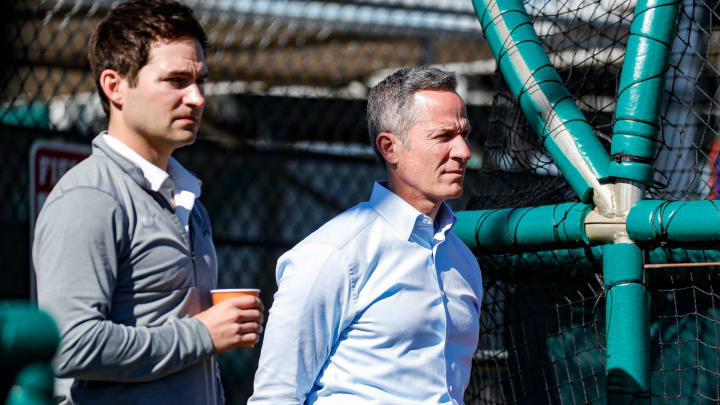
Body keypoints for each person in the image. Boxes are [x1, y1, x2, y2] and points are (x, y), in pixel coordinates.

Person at [32, 1, 263, 403]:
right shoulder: (89, 197)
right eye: (175, 81)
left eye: (200, 81)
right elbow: (71, 345)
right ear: (114, 85)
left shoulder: (189, 200)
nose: (197, 98)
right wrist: (203, 334)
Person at [249, 66, 483, 404]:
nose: (463, 151)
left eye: (463, 134)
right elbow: (275, 396)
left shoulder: (462, 260)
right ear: (390, 148)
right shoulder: (333, 254)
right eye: (443, 136)